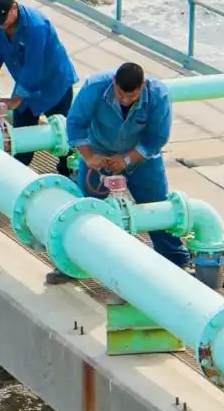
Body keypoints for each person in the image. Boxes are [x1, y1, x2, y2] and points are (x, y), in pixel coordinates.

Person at [64, 62, 190, 278]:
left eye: (132, 96)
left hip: (142, 159)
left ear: (142, 86)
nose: (125, 100)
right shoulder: (94, 87)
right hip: (99, 154)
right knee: (89, 209)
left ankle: (176, 261)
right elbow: (75, 123)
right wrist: (89, 156)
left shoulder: (158, 95)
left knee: (156, 208)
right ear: (114, 82)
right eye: (120, 94)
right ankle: (78, 260)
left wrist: (127, 159)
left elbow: (157, 137)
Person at [0, 0, 77, 177]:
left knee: (65, 138)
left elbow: (34, 67)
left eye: (3, 20)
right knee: (20, 140)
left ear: (14, 8)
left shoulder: (36, 26)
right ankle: (13, 178)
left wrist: (16, 99)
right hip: (25, 87)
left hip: (54, 84)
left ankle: (68, 173)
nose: (0, 26)